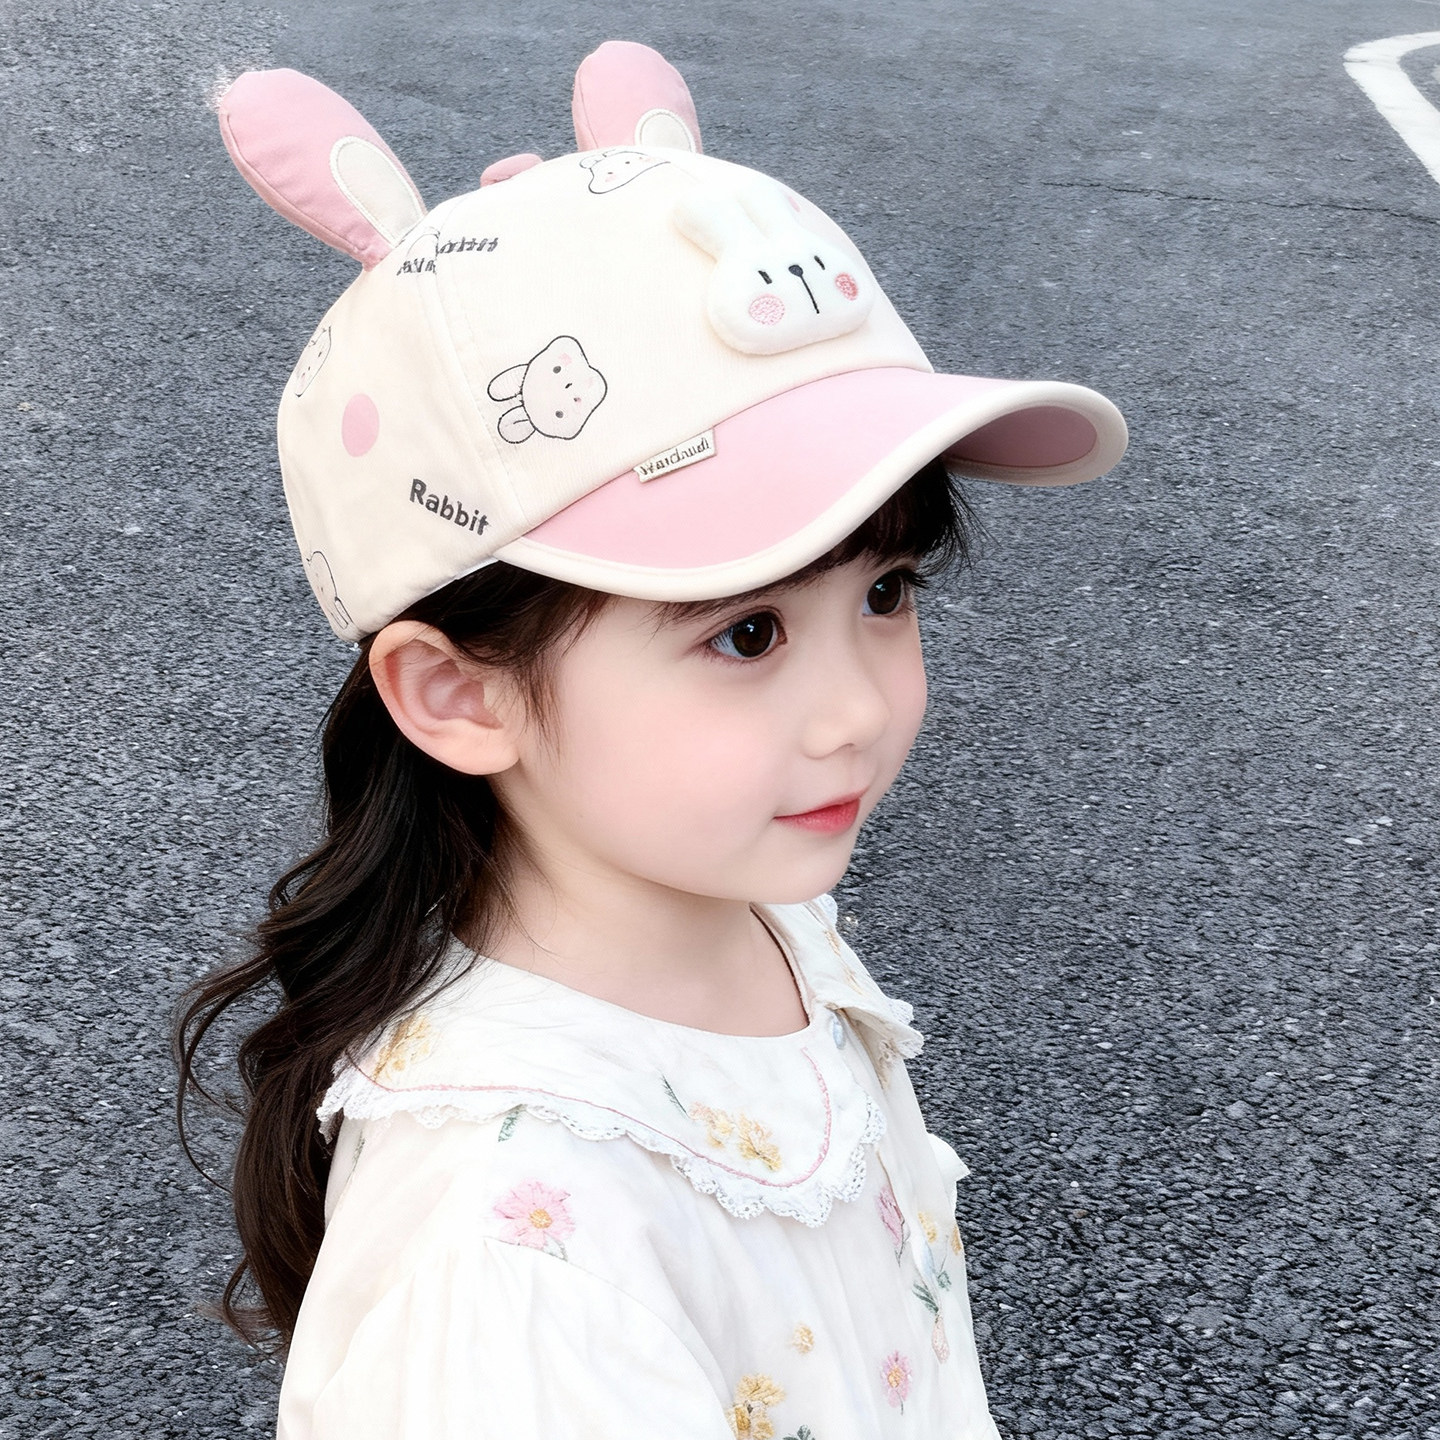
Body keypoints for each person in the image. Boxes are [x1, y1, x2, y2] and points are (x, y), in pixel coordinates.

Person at [177, 40, 1127, 1440]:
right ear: (460, 694)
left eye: (886, 593)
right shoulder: (519, 1265)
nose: (861, 710)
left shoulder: (740, 906)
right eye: (746, 633)